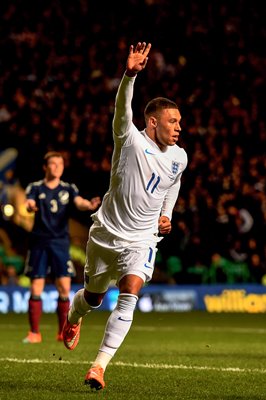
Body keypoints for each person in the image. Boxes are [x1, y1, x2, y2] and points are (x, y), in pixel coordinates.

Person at [63, 41, 188, 390]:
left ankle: (98, 367)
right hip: (106, 232)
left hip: (143, 237)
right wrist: (129, 77)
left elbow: (172, 183)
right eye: (172, 121)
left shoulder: (180, 156)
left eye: (180, 122)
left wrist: (166, 214)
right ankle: (73, 317)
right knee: (93, 296)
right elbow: (122, 110)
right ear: (152, 122)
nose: (179, 127)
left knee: (130, 290)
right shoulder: (129, 140)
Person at [22, 151, 101, 344]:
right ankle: (34, 333)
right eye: (53, 164)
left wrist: (89, 205)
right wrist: (30, 206)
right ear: (45, 167)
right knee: (36, 287)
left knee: (64, 288)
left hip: (60, 242)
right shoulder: (35, 187)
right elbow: (28, 203)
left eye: (60, 164)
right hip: (39, 242)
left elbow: (78, 202)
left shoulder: (68, 188)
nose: (57, 167)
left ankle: (61, 332)